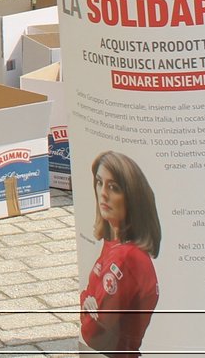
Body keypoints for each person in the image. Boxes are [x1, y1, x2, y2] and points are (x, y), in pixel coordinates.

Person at [80, 151, 161, 358]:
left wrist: (85, 299)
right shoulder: (114, 244)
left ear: (133, 197)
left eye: (114, 187)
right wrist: (87, 298)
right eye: (99, 183)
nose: (103, 194)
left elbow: (92, 333)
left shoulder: (126, 257)